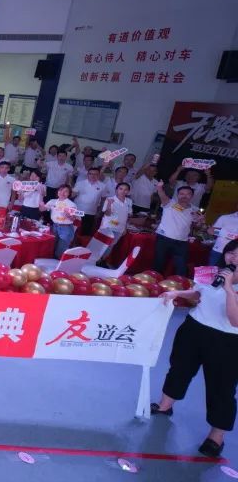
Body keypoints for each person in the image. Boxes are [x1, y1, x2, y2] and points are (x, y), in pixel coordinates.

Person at [152, 239, 238, 458]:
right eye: (231, 253)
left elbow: (235, 320)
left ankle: (216, 437)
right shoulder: (212, 273)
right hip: (194, 328)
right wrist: (178, 294)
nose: (234, 258)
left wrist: (229, 289)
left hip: (227, 341)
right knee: (179, 369)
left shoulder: (228, 283)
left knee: (221, 387)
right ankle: (165, 405)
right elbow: (199, 294)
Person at [153, 183, 200, 277]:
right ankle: (154, 282)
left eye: (188, 194)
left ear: (192, 196)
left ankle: (178, 284)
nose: (184, 196)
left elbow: (196, 226)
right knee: (159, 264)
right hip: (164, 239)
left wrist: (200, 221)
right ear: (177, 195)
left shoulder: (195, 209)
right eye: (182, 194)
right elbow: (162, 195)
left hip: (182, 242)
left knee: (181, 268)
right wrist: (159, 187)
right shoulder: (170, 203)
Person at [98, 182, 133, 262]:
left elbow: (128, 215)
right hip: (108, 226)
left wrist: (125, 228)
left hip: (120, 228)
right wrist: (109, 204)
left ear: (128, 192)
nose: (123, 191)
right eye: (121, 189)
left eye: (125, 190)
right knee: (103, 244)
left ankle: (102, 261)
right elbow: (107, 214)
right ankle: (96, 260)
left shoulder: (129, 201)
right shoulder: (109, 199)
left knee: (111, 245)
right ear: (116, 190)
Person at [41, 184, 77, 257]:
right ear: (57, 191)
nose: (62, 193)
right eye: (60, 190)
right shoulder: (52, 201)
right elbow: (42, 209)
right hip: (54, 227)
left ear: (69, 194)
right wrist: (41, 203)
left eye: (65, 191)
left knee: (60, 251)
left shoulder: (71, 204)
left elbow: (73, 218)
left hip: (66, 228)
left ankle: (58, 263)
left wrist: (68, 215)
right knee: (51, 248)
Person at [71, 167, 107, 236]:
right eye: (91, 174)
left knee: (85, 232)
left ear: (99, 175)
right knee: (74, 229)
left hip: (91, 212)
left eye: (95, 174)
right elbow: (72, 195)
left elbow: (103, 199)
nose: (93, 176)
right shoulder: (80, 183)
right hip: (78, 211)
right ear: (87, 175)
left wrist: (99, 211)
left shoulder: (103, 186)